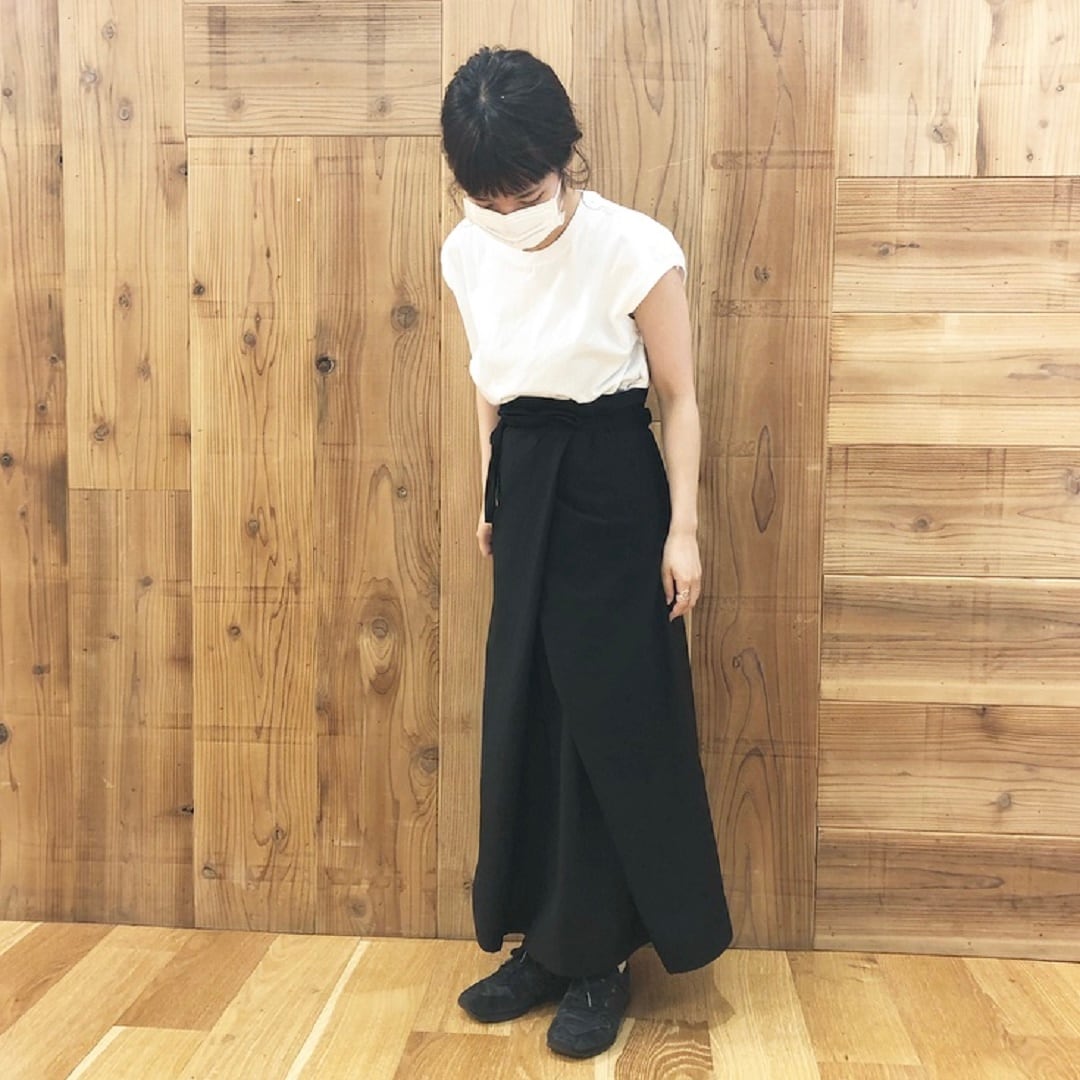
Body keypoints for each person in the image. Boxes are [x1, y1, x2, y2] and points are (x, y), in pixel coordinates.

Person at [439, 46, 733, 1060]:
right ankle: (543, 944)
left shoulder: (633, 246)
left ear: (564, 155)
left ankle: (599, 957)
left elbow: (679, 397)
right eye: (486, 196)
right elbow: (488, 380)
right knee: (527, 713)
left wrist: (682, 530)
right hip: (524, 480)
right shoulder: (466, 248)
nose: (506, 212)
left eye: (522, 192)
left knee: (608, 722)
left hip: (611, 482)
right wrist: (491, 488)